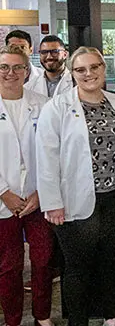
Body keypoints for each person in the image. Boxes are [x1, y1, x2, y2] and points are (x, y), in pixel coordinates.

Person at [37, 47, 115, 326]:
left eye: (95, 67)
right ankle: (77, 321)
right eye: (81, 69)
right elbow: (46, 156)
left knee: (113, 261)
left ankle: (112, 315)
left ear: (104, 69)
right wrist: (52, 202)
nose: (89, 74)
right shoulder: (57, 107)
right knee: (78, 267)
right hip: (75, 200)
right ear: (73, 72)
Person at [0, 46, 54, 326]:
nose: (10, 73)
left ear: (26, 71)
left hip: (37, 197)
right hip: (4, 199)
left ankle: (42, 315)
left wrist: (39, 192)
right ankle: (12, 319)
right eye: (4, 67)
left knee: (44, 260)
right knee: (9, 266)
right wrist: (3, 193)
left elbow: (52, 151)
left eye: (17, 67)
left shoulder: (43, 104)